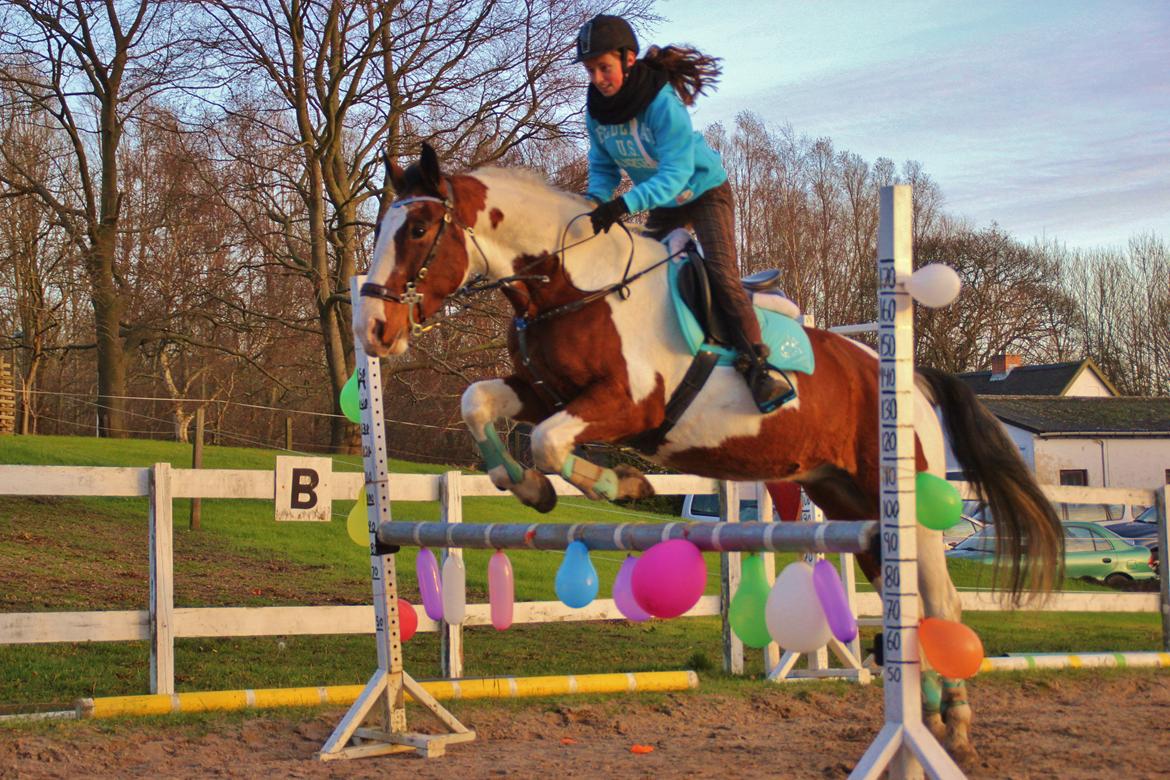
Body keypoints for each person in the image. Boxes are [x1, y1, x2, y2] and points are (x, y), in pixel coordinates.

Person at [576, 14, 789, 412]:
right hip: (664, 200)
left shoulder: (662, 103)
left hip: (705, 192)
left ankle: (760, 369)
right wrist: (594, 201)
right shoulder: (596, 112)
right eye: (591, 71)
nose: (598, 79)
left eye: (604, 68)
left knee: (723, 276)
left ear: (628, 59)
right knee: (635, 272)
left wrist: (622, 205)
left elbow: (675, 176)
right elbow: (603, 167)